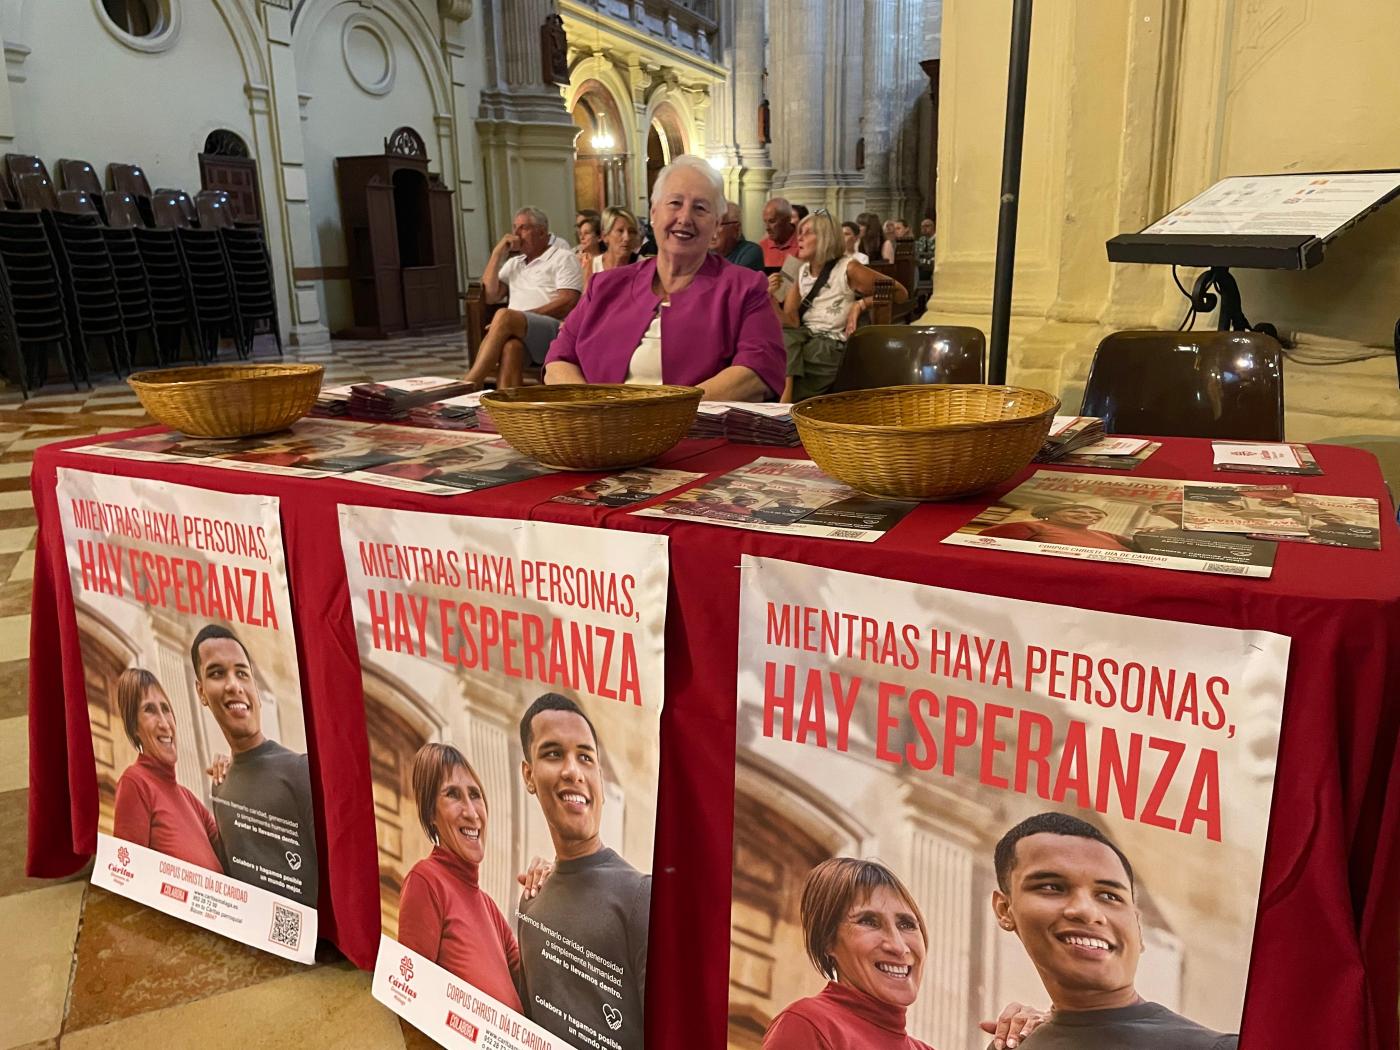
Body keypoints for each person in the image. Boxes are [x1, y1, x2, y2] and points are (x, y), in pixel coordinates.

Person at [544, 154, 785, 400]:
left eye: (700, 208)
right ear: (654, 212)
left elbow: (757, 370)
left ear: (716, 225)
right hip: (601, 429)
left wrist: (668, 412)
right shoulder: (604, 285)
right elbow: (558, 360)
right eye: (675, 203)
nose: (685, 218)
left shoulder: (745, 288)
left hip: (696, 430)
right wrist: (593, 408)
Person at [991, 812, 1239, 1049]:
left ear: (1138, 927)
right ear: (1004, 909)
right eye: (1052, 887)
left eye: (1109, 895)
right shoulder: (1015, 1044)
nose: (1087, 911)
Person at [517, 693, 649, 1050]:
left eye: (585, 757)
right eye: (553, 754)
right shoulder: (531, 902)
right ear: (529, 775)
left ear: (600, 781)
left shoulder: (641, 897)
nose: (573, 771)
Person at [396, 742, 550, 1011]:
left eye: (475, 795)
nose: (471, 811)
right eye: (453, 795)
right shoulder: (426, 881)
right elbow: (409, 1005)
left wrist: (552, 897)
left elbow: (537, 992)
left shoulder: (490, 908)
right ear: (431, 813)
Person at [192, 623, 318, 907]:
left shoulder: (301, 770)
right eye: (216, 673)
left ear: (255, 689)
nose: (233, 685)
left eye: (242, 673)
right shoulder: (220, 787)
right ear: (201, 692)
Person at [762, 857, 933, 1049]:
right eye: (869, 921)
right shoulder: (808, 1025)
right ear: (828, 940)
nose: (899, 947)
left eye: (906, 924)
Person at [776, 210, 907, 402]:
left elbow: (900, 293)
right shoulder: (802, 270)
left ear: (825, 238)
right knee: (781, 340)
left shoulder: (848, 268)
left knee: (799, 356)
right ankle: (783, 402)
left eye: (807, 232)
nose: (799, 238)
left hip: (829, 344)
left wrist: (860, 304)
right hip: (803, 338)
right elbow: (791, 321)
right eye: (799, 232)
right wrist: (769, 298)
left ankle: (783, 404)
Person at [111, 667, 223, 872]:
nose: (164, 724)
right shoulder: (135, 783)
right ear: (134, 728)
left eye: (166, 709)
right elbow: (129, 877)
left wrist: (230, 784)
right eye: (150, 710)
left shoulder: (191, 801)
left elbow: (235, 858)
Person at [463, 207, 583, 391]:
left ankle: (471, 381)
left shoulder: (562, 258)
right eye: (515, 227)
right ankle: (507, 407)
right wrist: (497, 253)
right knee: (512, 348)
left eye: (523, 228)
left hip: (553, 331)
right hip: (519, 333)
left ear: (542, 231)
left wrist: (516, 319)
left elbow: (568, 301)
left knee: (504, 316)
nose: (516, 234)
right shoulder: (514, 263)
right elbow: (490, 295)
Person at [980, 504, 1132, 552]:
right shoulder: (1030, 526)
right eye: (1074, 511)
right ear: (1048, 514)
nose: (1087, 515)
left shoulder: (1106, 534)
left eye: (1095, 512)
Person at [582, 206, 640, 296]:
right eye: (620, 231)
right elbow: (585, 305)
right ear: (605, 236)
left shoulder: (642, 264)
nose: (627, 238)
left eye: (631, 232)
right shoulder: (593, 266)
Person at [713, 201, 764, 271]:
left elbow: (733, 279)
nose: (711, 230)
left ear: (737, 229)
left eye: (718, 224)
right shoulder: (704, 254)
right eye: (710, 224)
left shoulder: (750, 252)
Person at [760, 196, 800, 266]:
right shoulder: (762, 247)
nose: (767, 228)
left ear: (787, 219)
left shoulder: (803, 243)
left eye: (772, 221)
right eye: (765, 222)